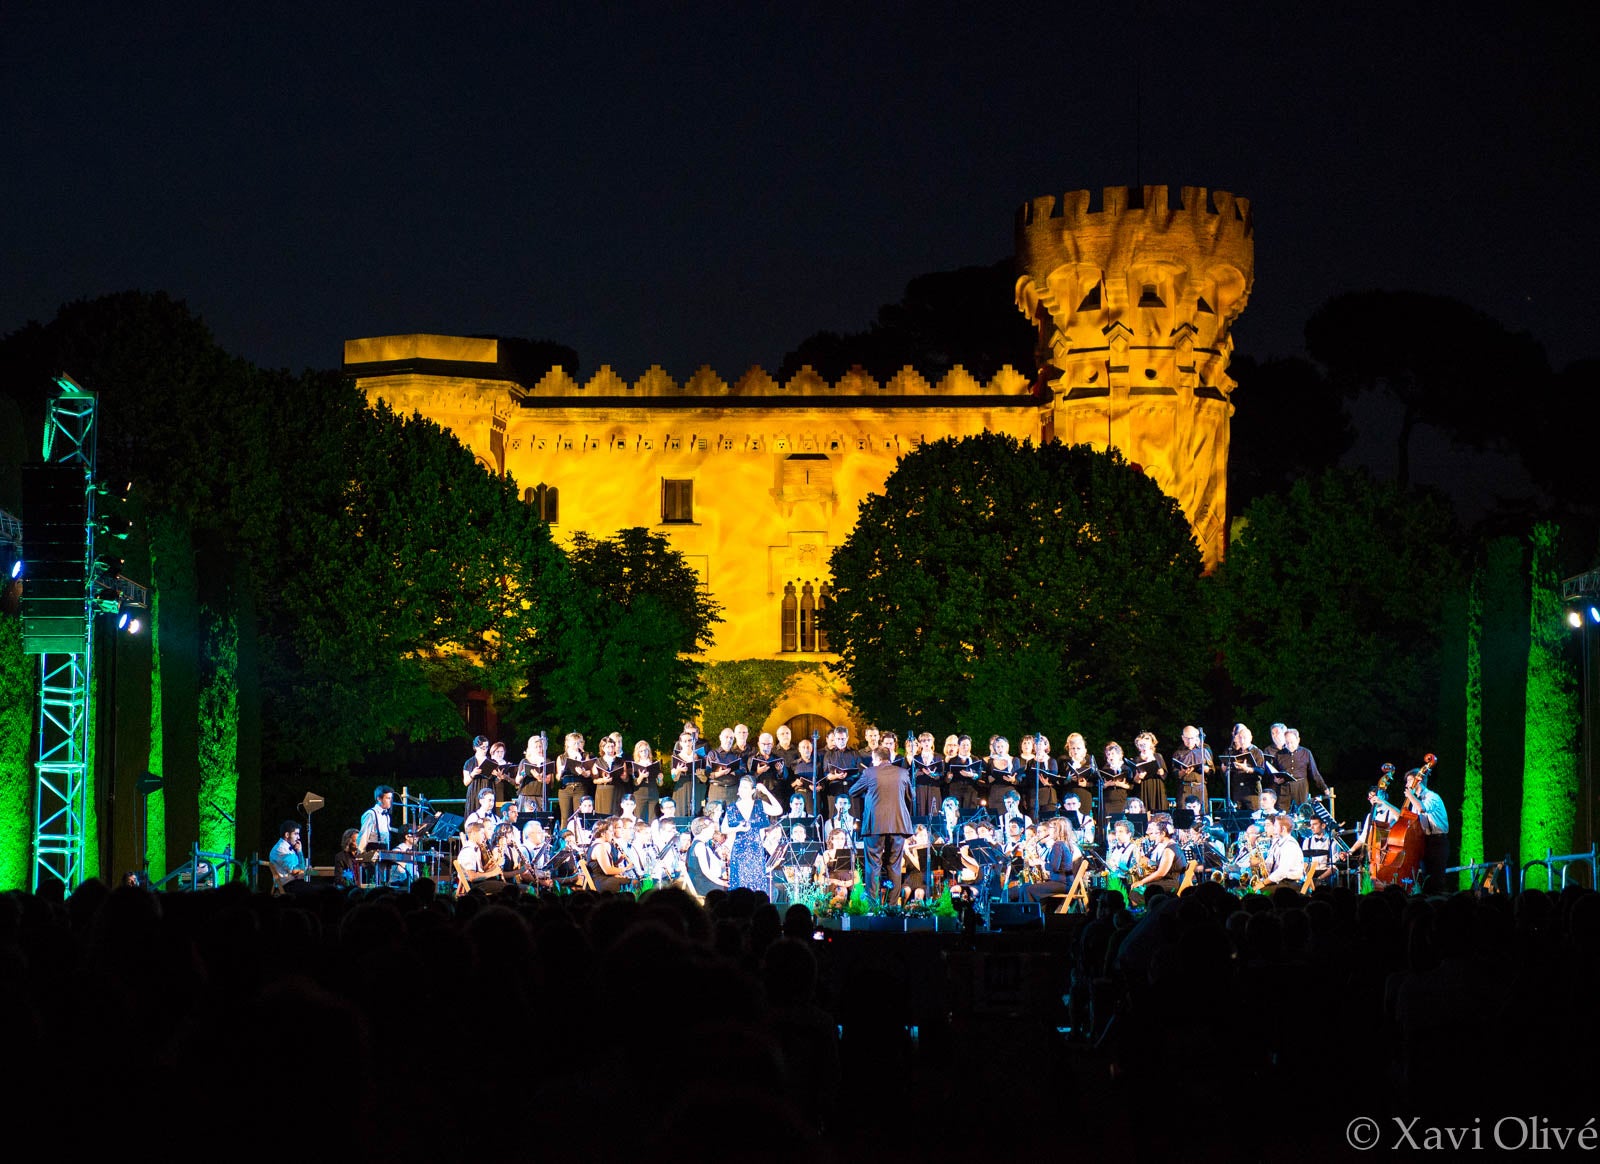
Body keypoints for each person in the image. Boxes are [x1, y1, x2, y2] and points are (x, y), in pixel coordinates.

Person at [848, 745, 915, 904]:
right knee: (894, 865)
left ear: (876, 759)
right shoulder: (903, 773)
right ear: (890, 757)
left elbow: (852, 791)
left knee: (874, 865)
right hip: (898, 825)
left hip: (875, 826)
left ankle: (873, 905)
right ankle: (892, 906)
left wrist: (870, 790)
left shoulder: (870, 772)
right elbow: (911, 796)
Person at [724, 774, 785, 894]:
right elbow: (724, 828)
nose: (742, 790)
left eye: (745, 787)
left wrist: (766, 792)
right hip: (739, 851)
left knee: (756, 884)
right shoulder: (732, 807)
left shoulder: (759, 804)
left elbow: (778, 810)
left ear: (752, 790)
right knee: (740, 885)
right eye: (741, 787)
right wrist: (737, 828)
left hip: (755, 850)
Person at [1401, 763, 1450, 894]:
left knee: (1436, 881)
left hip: (1437, 842)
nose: (1407, 785)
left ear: (1419, 779)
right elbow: (1409, 820)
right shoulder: (1415, 801)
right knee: (1427, 882)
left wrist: (1410, 796)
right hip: (1424, 842)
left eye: (1410, 781)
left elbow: (1422, 808)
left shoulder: (1432, 797)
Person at [357, 785, 413, 885]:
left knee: (384, 882)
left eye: (391, 798)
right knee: (374, 881)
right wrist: (361, 855)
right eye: (388, 798)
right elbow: (364, 834)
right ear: (379, 798)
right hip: (373, 849)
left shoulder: (386, 816)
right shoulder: (371, 814)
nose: (390, 801)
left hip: (383, 850)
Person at [1026, 818, 1080, 902]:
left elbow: (1054, 867)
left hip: (1062, 884)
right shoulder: (1063, 844)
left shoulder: (1058, 845)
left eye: (1050, 828)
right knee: (1026, 888)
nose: (1048, 831)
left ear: (1056, 830)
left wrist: (1041, 862)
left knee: (1029, 889)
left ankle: (1032, 914)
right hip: (1063, 883)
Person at [1277, 727, 1328, 808]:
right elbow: (1275, 772)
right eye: (1287, 742)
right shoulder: (1279, 754)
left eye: (1292, 742)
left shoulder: (1306, 753)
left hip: (1301, 786)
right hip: (1284, 787)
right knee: (1282, 813)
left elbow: (1314, 773)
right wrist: (1276, 779)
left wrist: (1324, 788)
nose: (1289, 745)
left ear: (1298, 740)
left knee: (1302, 811)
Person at [1224, 724, 1267, 812]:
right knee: (1239, 816)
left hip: (1251, 790)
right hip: (1238, 789)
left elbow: (1261, 771)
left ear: (1250, 738)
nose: (1242, 740)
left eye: (1245, 738)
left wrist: (1247, 769)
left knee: (1253, 815)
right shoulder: (1235, 752)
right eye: (1240, 738)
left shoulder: (1257, 752)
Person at [1171, 725, 1214, 809]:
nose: (1189, 741)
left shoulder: (1203, 750)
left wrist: (1205, 768)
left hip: (1199, 787)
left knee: (1201, 815)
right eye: (1187, 738)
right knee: (1184, 815)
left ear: (1196, 738)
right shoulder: (1178, 752)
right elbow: (1174, 772)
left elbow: (1212, 770)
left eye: (1192, 738)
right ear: (1183, 738)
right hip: (1185, 787)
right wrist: (1182, 772)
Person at [555, 732, 594, 824]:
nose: (576, 746)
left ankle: (579, 836)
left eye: (578, 743)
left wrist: (583, 773)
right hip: (565, 788)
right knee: (565, 817)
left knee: (579, 816)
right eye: (573, 743)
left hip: (580, 787)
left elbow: (589, 773)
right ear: (567, 743)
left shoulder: (584, 755)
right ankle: (564, 837)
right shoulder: (561, 757)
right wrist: (561, 771)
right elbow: (557, 777)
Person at [685, 817, 727, 899]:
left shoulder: (698, 844)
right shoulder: (700, 846)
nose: (713, 831)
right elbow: (706, 872)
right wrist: (722, 883)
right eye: (711, 828)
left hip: (701, 882)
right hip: (702, 884)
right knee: (731, 890)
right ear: (703, 830)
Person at [981, 735, 1022, 816]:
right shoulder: (991, 761)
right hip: (994, 793)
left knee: (1009, 817)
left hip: (1009, 793)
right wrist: (989, 779)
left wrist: (1013, 780)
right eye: (998, 747)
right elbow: (986, 778)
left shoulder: (1014, 760)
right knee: (995, 819)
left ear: (1007, 747)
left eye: (1002, 746)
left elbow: (1019, 779)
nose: (1000, 749)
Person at [515, 733, 554, 812]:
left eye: (540, 746)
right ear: (531, 749)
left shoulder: (547, 761)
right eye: (536, 747)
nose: (539, 749)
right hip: (526, 796)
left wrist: (539, 778)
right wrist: (524, 773)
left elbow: (548, 780)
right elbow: (517, 780)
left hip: (541, 796)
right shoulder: (525, 761)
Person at [705, 727, 745, 804]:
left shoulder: (737, 755)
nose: (729, 740)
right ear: (720, 737)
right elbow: (707, 773)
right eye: (726, 737)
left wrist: (734, 772)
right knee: (714, 814)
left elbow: (743, 771)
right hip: (716, 789)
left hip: (733, 790)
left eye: (731, 738)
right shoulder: (712, 754)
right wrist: (719, 774)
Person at [1264, 813, 1306, 887]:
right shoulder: (1278, 842)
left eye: (1276, 826)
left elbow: (1282, 871)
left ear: (1283, 829)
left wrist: (1263, 883)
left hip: (1289, 884)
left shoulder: (1289, 845)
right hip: (1280, 881)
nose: (1273, 828)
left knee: (1258, 893)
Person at [268, 820, 309, 893]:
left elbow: (300, 870)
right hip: (288, 886)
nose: (298, 837)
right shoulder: (281, 849)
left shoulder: (287, 847)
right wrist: (300, 852)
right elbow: (297, 872)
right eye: (296, 834)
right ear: (287, 835)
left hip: (294, 883)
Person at [1132, 731, 1168, 813]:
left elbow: (1164, 774)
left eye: (1145, 744)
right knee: (1145, 812)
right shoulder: (1136, 760)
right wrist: (1138, 777)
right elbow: (1135, 780)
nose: (1143, 747)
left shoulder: (1158, 756)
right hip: (1144, 788)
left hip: (1157, 787)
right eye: (1141, 745)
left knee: (1159, 813)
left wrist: (1160, 771)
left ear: (1151, 745)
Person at [944, 734, 981, 810]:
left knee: (969, 813)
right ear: (958, 746)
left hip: (970, 790)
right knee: (956, 812)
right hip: (955, 790)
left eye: (968, 745)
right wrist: (949, 777)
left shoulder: (975, 759)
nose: (965, 747)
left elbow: (979, 775)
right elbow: (946, 778)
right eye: (963, 745)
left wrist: (972, 775)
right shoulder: (952, 760)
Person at [749, 732, 788, 802]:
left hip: (775, 795)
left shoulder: (777, 758)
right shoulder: (752, 759)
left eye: (768, 744)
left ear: (772, 744)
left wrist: (780, 771)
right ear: (758, 744)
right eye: (763, 744)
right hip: (758, 795)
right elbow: (748, 778)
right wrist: (758, 772)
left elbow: (785, 777)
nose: (766, 747)